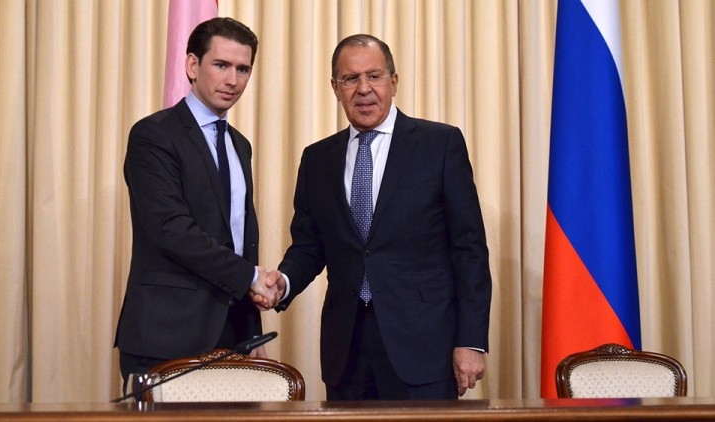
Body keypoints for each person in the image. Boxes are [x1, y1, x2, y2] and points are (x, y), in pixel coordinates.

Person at [264, 34, 492, 400]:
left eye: (374, 76)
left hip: (424, 347)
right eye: (350, 79)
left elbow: (469, 250)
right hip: (347, 351)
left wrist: (470, 341)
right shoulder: (317, 159)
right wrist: (284, 282)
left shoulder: (439, 144)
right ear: (335, 87)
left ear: (394, 81)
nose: (363, 89)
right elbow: (309, 246)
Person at [115, 17, 280, 387]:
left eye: (243, 69)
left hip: (233, 336)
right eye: (221, 65)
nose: (232, 80)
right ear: (192, 65)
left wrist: (252, 331)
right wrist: (252, 278)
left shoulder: (240, 145)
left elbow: (238, 240)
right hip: (165, 336)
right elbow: (170, 229)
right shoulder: (153, 135)